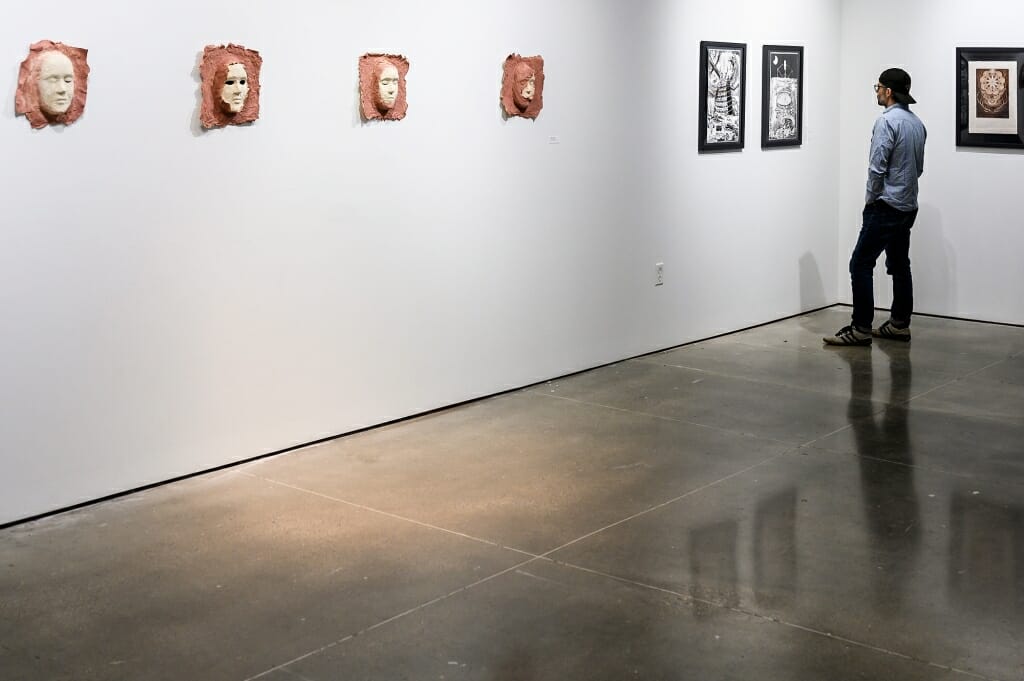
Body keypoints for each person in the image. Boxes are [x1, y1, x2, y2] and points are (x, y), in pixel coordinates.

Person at [824, 68, 926, 346]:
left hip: (886, 206)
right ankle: (899, 324)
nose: (877, 91)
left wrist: (870, 200)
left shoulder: (886, 123)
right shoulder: (917, 123)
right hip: (907, 206)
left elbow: (877, 167)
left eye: (878, 87)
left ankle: (860, 328)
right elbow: (918, 168)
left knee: (860, 263)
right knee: (899, 264)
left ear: (888, 91)